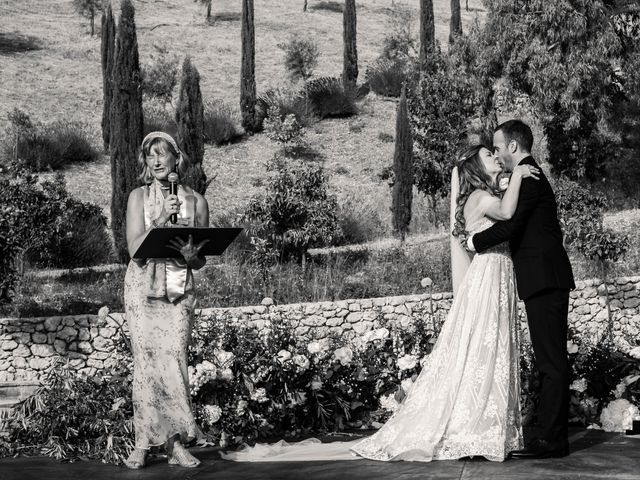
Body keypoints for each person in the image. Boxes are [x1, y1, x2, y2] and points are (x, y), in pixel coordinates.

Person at [221, 145, 540, 463]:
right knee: (484, 350)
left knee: (488, 351)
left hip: (492, 278)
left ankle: (480, 425)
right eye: (488, 156)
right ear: (475, 169)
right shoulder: (481, 199)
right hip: (486, 279)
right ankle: (474, 428)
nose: (495, 158)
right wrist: (520, 175)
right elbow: (509, 213)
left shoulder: (481, 196)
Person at [468, 120, 575, 459]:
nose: (497, 155)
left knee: (551, 362)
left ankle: (552, 440)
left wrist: (473, 240)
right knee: (549, 359)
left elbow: (511, 226)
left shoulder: (527, 175)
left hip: (545, 277)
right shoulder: (524, 175)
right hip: (542, 278)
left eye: (498, 148)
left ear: (513, 146)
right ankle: (548, 435)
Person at [123, 131, 210, 469]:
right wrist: (160, 221)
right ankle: (143, 442)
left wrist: (191, 256)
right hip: (142, 286)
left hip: (177, 284)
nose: (156, 161)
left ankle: (174, 445)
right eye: (150, 156)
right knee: (146, 364)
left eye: (162, 154)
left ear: (176, 158)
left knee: (173, 360)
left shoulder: (196, 201)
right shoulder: (137, 198)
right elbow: (134, 250)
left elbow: (200, 258)